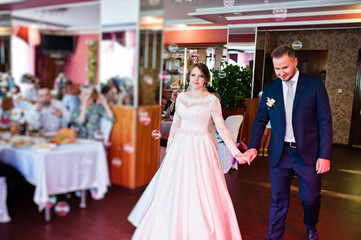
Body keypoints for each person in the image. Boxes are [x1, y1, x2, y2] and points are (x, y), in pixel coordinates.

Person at [128, 63, 246, 239]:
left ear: (206, 79)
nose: (196, 79)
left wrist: (235, 152)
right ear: (188, 77)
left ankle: (201, 229)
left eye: (200, 76)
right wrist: (170, 150)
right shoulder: (181, 97)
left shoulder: (212, 100)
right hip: (180, 146)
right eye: (193, 75)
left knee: (202, 189)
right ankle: (170, 226)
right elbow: (176, 123)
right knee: (174, 187)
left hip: (201, 146)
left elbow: (221, 127)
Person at [244, 45, 332, 240]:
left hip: (308, 153)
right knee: (278, 200)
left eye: (285, 67)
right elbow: (260, 120)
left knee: (310, 198)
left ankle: (311, 226)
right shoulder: (270, 88)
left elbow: (325, 121)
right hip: (280, 152)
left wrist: (324, 155)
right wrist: (252, 146)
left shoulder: (314, 85)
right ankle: (274, 237)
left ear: (295, 62)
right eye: (277, 69)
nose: (281, 73)